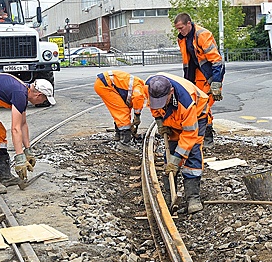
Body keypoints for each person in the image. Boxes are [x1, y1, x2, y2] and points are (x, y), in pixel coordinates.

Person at [145, 73, 209, 214]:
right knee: (171, 152)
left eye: (163, 100)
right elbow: (153, 106)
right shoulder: (149, 87)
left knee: (191, 152)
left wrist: (178, 158)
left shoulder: (186, 104)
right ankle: (169, 194)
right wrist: (159, 120)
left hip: (197, 115)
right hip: (173, 115)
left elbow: (189, 134)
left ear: (171, 92)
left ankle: (193, 197)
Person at [174, 12, 225, 147]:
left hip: (209, 76)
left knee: (204, 106)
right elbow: (188, 62)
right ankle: (198, 136)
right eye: (178, 29)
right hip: (194, 76)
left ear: (188, 24)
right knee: (194, 106)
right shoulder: (182, 39)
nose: (179, 31)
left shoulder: (203, 35)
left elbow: (217, 61)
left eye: (181, 28)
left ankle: (207, 138)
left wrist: (216, 83)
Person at [94, 70, 146, 144]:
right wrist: (137, 115)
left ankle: (118, 133)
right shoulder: (139, 89)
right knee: (121, 111)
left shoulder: (137, 86)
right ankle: (125, 139)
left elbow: (129, 104)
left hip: (105, 83)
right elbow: (138, 98)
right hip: (105, 85)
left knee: (120, 110)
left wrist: (131, 124)